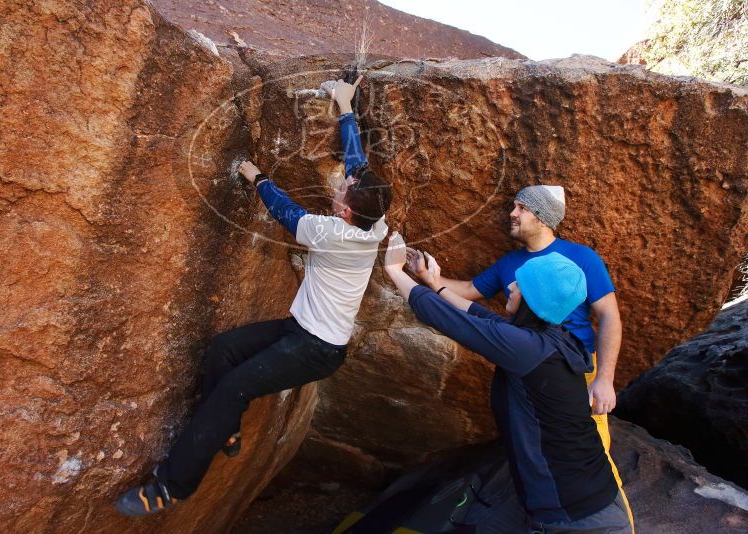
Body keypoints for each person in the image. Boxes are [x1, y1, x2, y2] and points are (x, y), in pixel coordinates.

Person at [116, 76, 392, 516]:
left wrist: (256, 175)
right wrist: (345, 106)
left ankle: (171, 487)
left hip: (318, 348)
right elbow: (356, 160)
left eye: (342, 190)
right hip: (301, 331)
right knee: (223, 351)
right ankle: (224, 430)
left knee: (235, 388)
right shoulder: (374, 220)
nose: (340, 184)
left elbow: (286, 211)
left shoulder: (332, 233)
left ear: (344, 210)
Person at [384, 234, 633, 533]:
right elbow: (480, 315)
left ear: (533, 299)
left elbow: (446, 318)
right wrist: (433, 282)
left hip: (579, 518)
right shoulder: (549, 336)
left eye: (520, 284)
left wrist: (394, 272)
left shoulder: (529, 349)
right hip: (559, 501)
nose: (511, 286)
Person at [406, 186, 621, 447]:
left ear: (542, 217)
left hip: (575, 366)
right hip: (525, 362)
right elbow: (469, 291)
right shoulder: (509, 263)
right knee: (531, 444)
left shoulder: (581, 258)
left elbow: (609, 317)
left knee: (591, 445)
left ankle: (609, 488)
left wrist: (604, 380)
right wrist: (429, 277)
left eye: (522, 208)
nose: (512, 213)